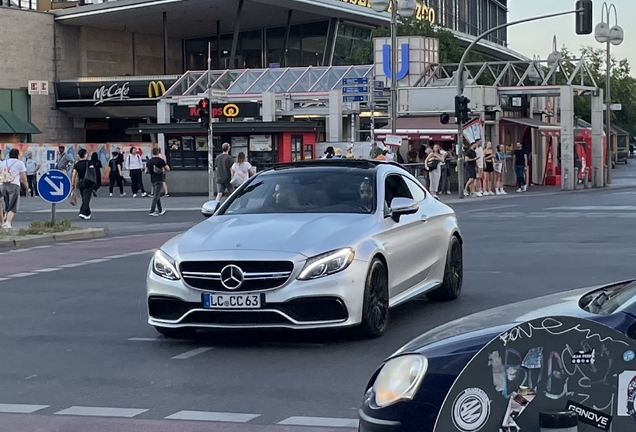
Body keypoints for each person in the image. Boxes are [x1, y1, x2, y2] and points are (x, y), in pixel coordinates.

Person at [0, 148, 29, 229]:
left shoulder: (4, 162)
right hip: (14, 185)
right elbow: (23, 177)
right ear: (17, 155)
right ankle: (8, 223)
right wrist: (27, 187)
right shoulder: (20, 163)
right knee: (13, 205)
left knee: (7, 204)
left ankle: (5, 220)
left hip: (3, 185)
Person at [71, 149, 96, 220]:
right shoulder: (89, 163)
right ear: (85, 155)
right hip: (88, 182)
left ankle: (88, 213)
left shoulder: (77, 164)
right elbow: (92, 172)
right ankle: (82, 212)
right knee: (86, 198)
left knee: (84, 198)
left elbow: (74, 174)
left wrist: (73, 184)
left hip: (81, 183)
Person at [146, 147, 169, 216]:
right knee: (156, 195)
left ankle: (160, 209)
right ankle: (152, 210)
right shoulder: (161, 161)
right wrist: (163, 170)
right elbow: (168, 168)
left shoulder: (149, 161)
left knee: (157, 194)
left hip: (153, 179)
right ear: (158, 152)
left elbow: (146, 171)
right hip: (159, 178)